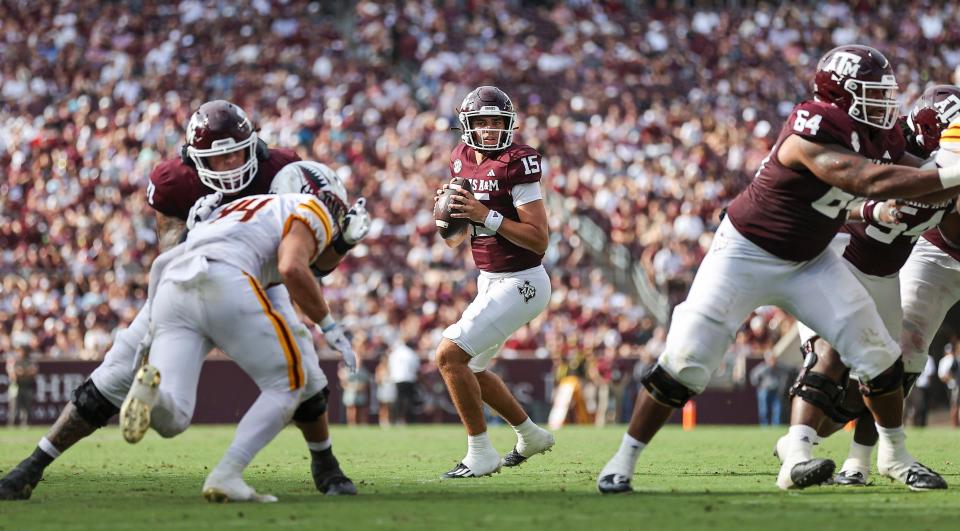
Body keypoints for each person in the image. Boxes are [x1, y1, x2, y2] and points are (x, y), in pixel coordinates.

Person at [597, 45, 958, 494]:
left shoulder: (878, 135)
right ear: (840, 94)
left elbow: (912, 173)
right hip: (747, 252)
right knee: (686, 363)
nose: (887, 103)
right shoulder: (813, 125)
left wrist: (944, 172)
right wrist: (949, 175)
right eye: (874, 93)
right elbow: (867, 181)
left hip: (811, 260)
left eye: (886, 93)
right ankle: (622, 460)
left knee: (880, 355)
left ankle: (891, 455)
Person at [0, 102, 361, 500]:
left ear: (254, 148)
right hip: (198, 266)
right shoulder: (176, 182)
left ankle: (326, 466)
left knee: (304, 366)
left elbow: (296, 262)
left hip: (250, 274)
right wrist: (193, 230)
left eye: (234, 154)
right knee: (117, 370)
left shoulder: (282, 170)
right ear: (194, 159)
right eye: (215, 158)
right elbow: (172, 248)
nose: (226, 166)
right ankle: (31, 466)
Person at [119, 165, 361, 502]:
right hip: (224, 279)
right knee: (291, 383)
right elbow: (292, 267)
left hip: (173, 287)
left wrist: (149, 334)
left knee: (173, 416)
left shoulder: (235, 211)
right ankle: (227, 473)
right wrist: (330, 326)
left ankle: (151, 395)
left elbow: (162, 263)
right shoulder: (310, 207)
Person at [778, 84, 960, 486]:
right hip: (840, 259)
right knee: (833, 355)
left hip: (885, 272)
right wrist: (872, 207)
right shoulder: (889, 151)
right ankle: (797, 453)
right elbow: (831, 195)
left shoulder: (927, 163)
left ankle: (866, 458)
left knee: (892, 367)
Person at [433, 86, 555, 478]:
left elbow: (539, 240)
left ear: (510, 124)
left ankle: (481, 453)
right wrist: (449, 215)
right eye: (481, 122)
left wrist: (485, 215)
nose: (488, 130)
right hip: (489, 280)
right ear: (467, 126)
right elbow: (454, 240)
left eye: (496, 122)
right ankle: (530, 434)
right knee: (474, 369)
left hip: (523, 281)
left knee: (449, 356)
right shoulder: (461, 160)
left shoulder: (517, 163)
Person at [750, 352, 789, 426]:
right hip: (764, 390)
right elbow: (754, 377)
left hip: (776, 390)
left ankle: (776, 425)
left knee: (777, 409)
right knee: (764, 410)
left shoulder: (779, 367)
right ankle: (764, 425)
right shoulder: (762, 367)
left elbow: (788, 369)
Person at [6, 347, 38, 428]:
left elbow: (33, 371)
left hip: (25, 386)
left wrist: (23, 372)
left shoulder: (28, 360)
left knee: (25, 406)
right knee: (13, 406)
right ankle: (11, 423)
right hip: (15, 386)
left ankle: (24, 423)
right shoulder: (14, 361)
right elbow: (13, 375)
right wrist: (20, 372)